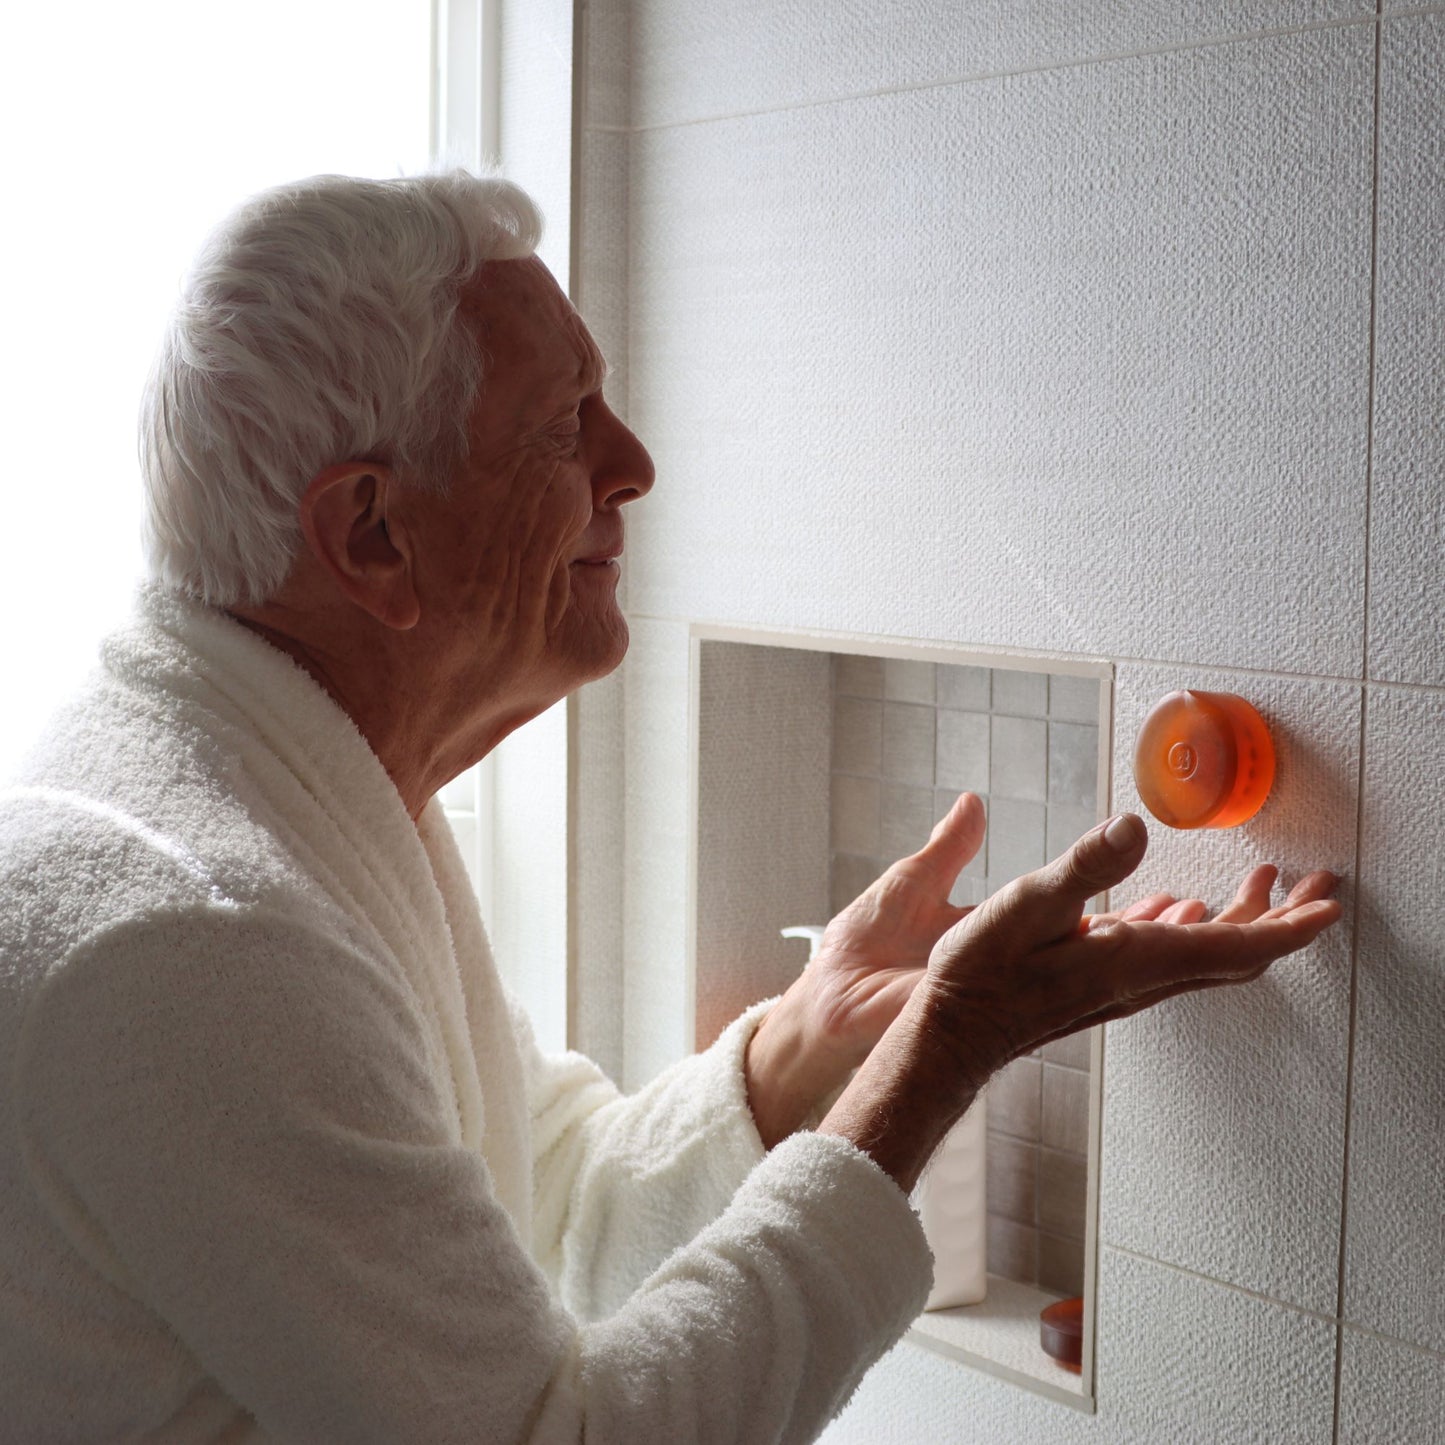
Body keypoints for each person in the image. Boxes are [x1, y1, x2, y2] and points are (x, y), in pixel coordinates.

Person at [0, 172, 1340, 1443]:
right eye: (562, 424)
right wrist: (940, 1052)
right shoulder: (200, 941)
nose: (632, 465)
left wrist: (802, 1050)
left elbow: (551, 1215)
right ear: (370, 536)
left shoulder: (292, 796)